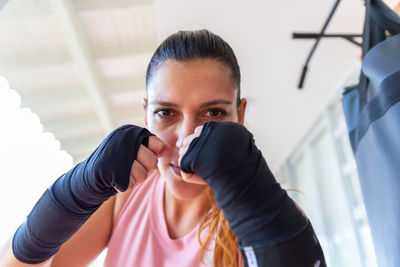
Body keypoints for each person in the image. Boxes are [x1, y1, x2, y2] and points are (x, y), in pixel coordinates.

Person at [0, 30, 326, 267]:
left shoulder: (261, 212)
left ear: (239, 116)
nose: (185, 138)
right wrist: (78, 187)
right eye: (166, 113)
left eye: (213, 113)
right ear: (146, 115)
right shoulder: (123, 195)